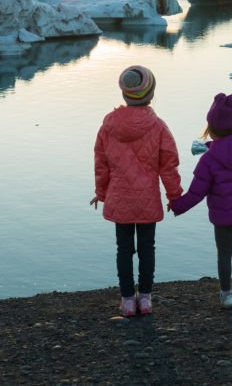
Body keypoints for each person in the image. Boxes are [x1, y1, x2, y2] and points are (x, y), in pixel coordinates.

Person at [91, 65, 182, 317]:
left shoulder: (108, 126)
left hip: (120, 199)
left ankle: (127, 300)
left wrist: (102, 192)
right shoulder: (159, 127)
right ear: (150, 94)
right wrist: (174, 196)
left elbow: (101, 163)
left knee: (123, 249)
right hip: (148, 199)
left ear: (124, 94)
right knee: (146, 248)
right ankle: (146, 298)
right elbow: (169, 163)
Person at [170, 93, 232, 308]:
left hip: (222, 218)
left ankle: (226, 294)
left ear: (211, 128)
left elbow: (197, 192)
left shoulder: (209, 159)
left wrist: (177, 205)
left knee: (224, 255)